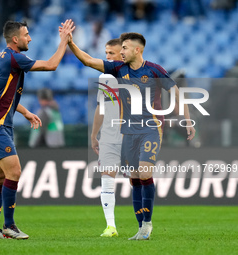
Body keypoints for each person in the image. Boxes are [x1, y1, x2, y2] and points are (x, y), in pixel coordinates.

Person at [65, 30, 195, 240]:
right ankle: (141, 227)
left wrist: (187, 120)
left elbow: (176, 92)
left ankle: (148, 224)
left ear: (137, 49)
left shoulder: (154, 70)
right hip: (129, 132)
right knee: (135, 178)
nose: (120, 52)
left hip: (151, 128)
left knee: (144, 173)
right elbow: (88, 61)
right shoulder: (118, 69)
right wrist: (70, 43)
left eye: (124, 48)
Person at [0, 19, 74, 239]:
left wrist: (24, 112)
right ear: (15, 39)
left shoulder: (2, 57)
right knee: (15, 171)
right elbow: (51, 65)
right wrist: (63, 42)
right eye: (26, 34)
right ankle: (9, 226)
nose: (30, 38)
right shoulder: (14, 57)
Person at [90, 38, 122, 237]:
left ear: (123, 53)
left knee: (139, 179)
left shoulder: (134, 75)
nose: (107, 57)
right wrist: (94, 135)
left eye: (111, 53)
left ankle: (144, 224)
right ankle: (111, 227)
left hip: (132, 133)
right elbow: (101, 107)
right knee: (107, 180)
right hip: (110, 135)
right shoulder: (105, 78)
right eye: (106, 53)